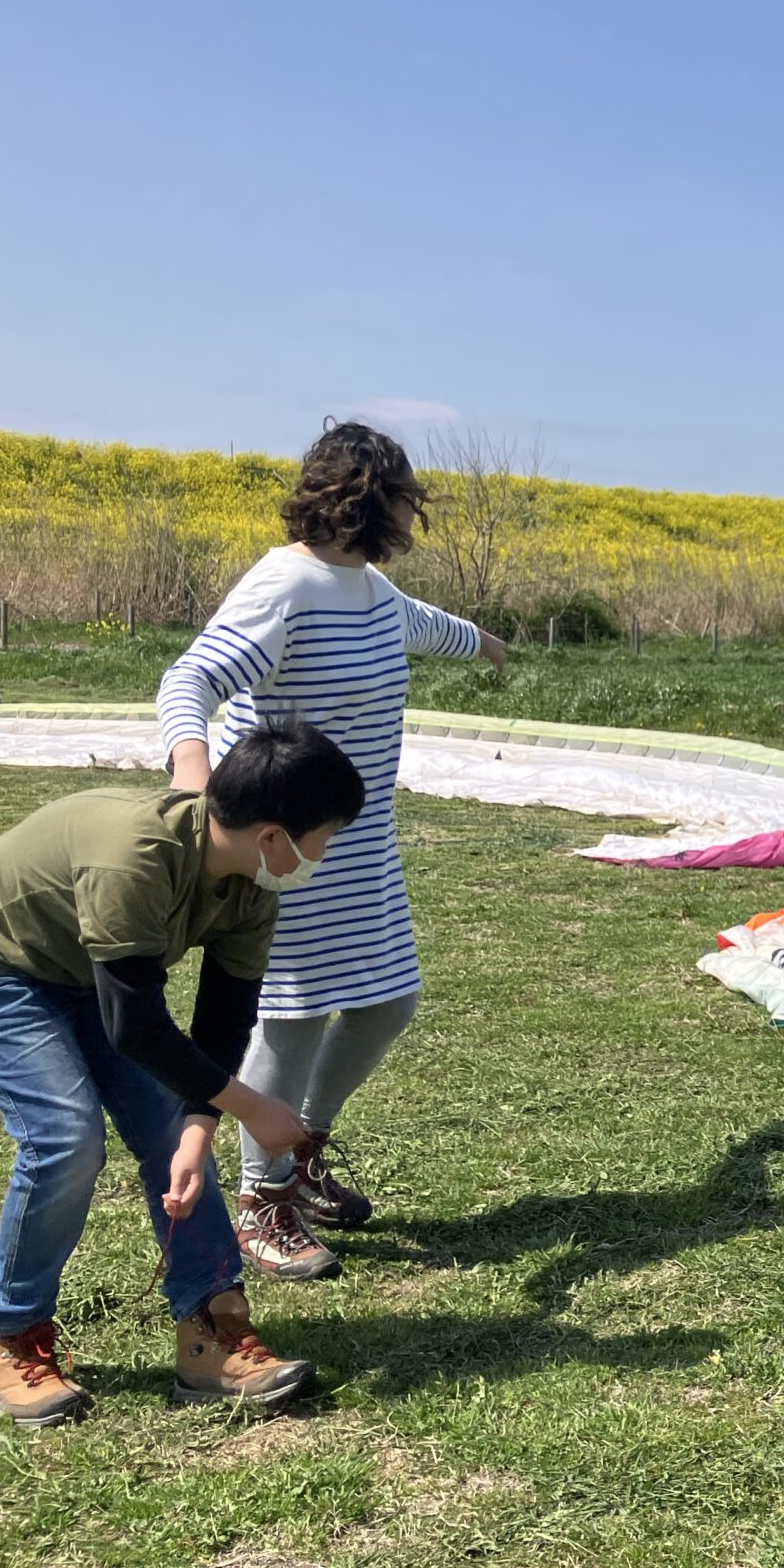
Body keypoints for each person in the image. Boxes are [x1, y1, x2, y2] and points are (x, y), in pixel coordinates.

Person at [0, 720, 366, 1426]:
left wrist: (196, 1131)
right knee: (66, 1141)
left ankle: (211, 1331)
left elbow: (223, 1019)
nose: (327, 852)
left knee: (170, 1134)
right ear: (272, 836)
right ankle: (6, 1337)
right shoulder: (133, 858)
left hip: (94, 973)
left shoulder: (254, 885)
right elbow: (134, 1025)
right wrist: (250, 1107)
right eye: (327, 837)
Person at [157, 421, 507, 1282]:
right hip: (286, 845)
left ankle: (301, 1145)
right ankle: (262, 1199)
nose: (413, 514)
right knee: (293, 1016)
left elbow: (419, 624)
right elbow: (188, 679)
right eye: (407, 499)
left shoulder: (368, 587)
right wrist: (194, 782)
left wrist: (485, 643)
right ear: (375, 500)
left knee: (387, 1002)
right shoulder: (285, 585)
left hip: (358, 846)